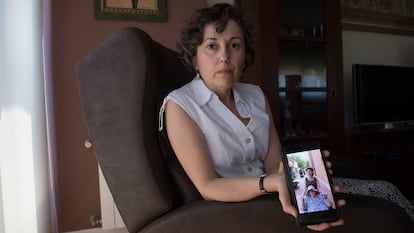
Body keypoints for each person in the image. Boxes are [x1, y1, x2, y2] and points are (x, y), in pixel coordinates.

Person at [159, 3, 345, 231]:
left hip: (275, 198)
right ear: (194, 58)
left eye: (234, 45)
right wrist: (271, 183)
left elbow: (274, 165)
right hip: (239, 212)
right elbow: (208, 186)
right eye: (211, 46)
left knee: (377, 191)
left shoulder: (255, 95)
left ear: (245, 55)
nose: (224, 57)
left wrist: (301, 178)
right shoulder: (180, 105)